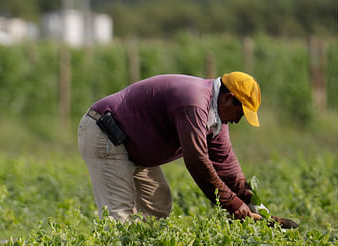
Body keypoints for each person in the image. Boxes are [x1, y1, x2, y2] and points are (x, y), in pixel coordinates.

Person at [78, 71, 296, 227]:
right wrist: (231, 203)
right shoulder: (193, 102)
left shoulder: (216, 117)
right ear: (229, 99)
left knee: (158, 204)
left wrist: (251, 202)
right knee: (119, 212)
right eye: (241, 113)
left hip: (132, 144)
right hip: (106, 134)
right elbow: (197, 161)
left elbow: (226, 164)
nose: (239, 120)